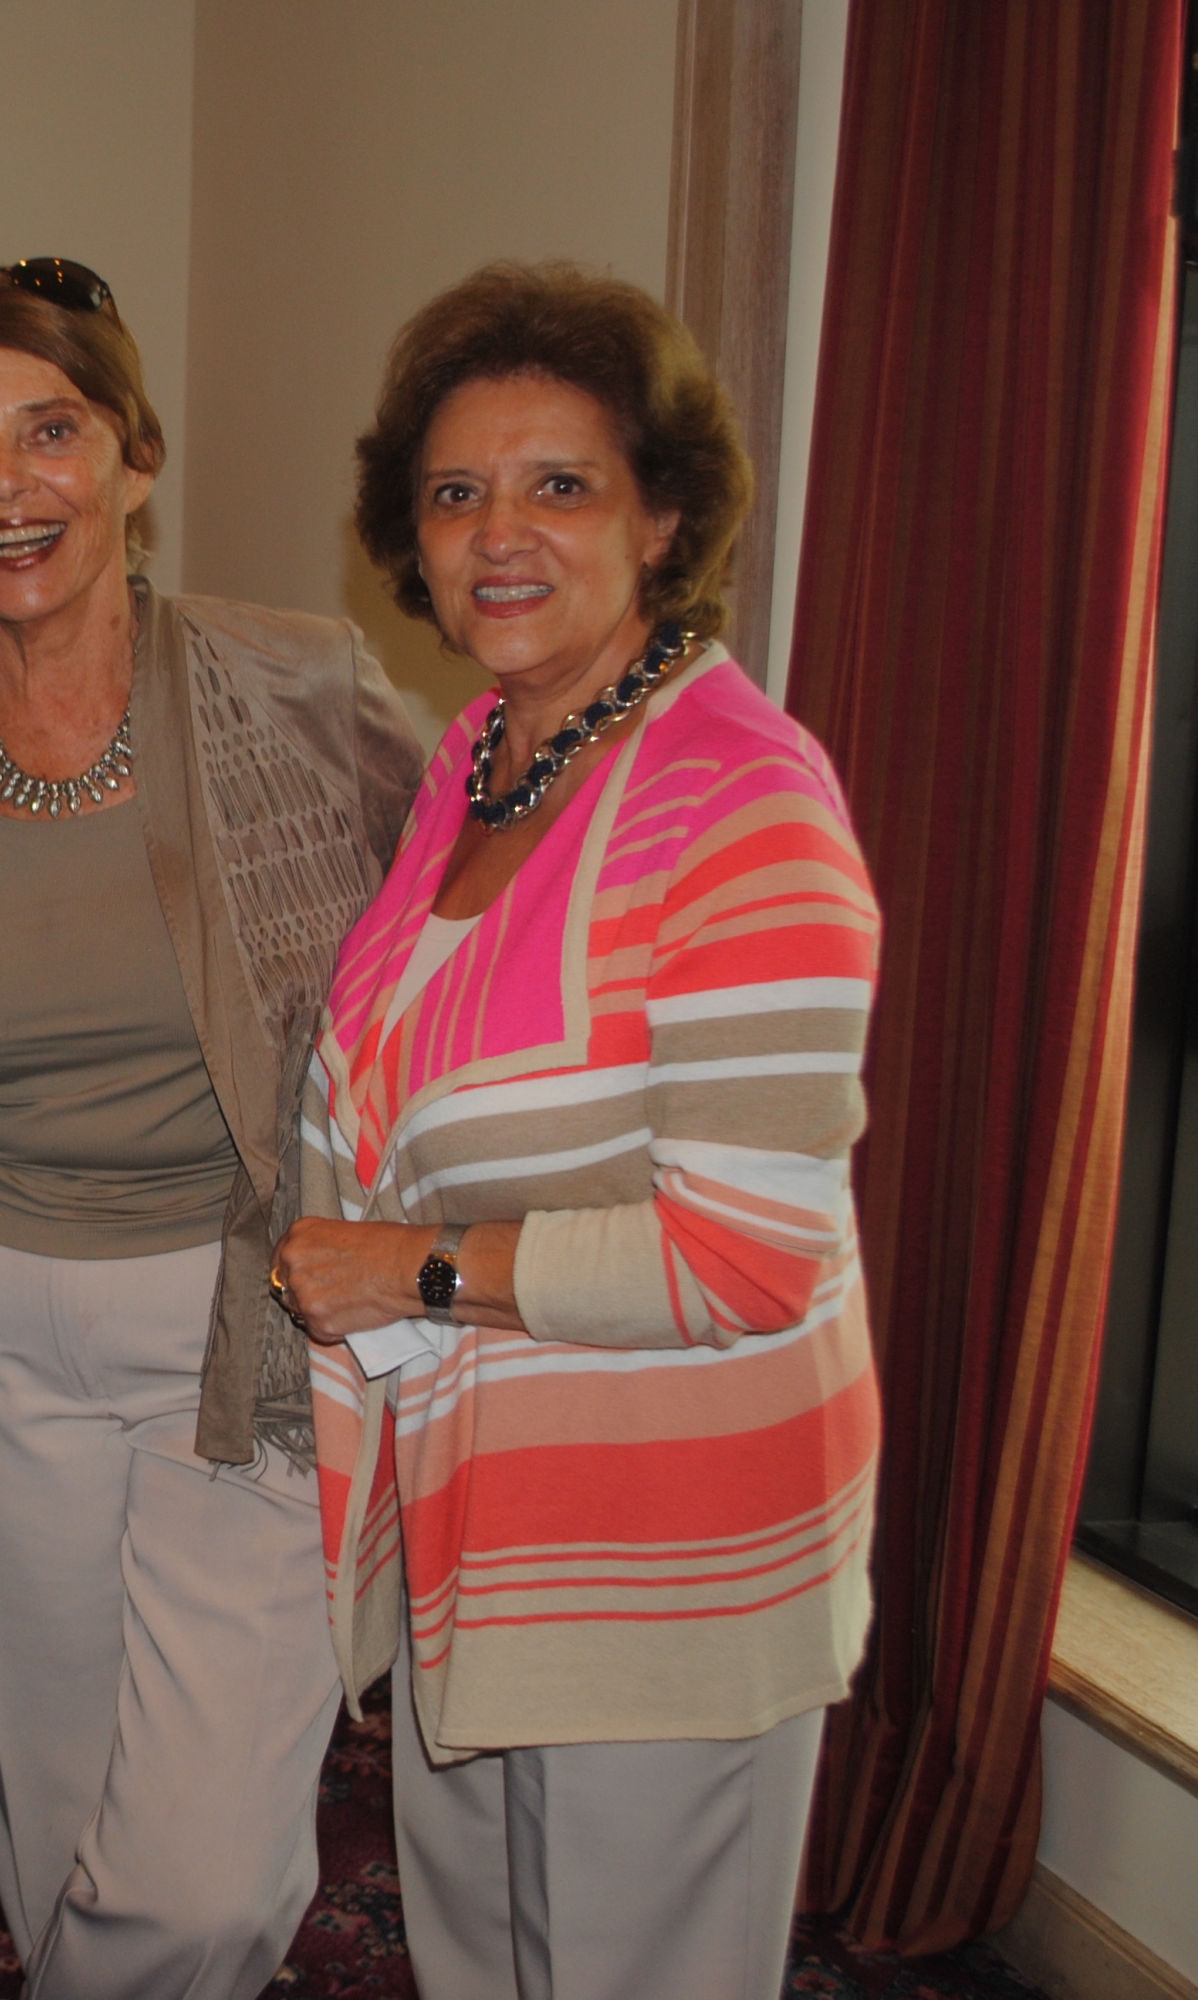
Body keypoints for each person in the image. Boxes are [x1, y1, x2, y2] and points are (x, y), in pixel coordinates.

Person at [0, 260, 423, 1994]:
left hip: (247, 1322)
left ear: (135, 458)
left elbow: (469, 908)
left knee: (205, 1877)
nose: (6, 489)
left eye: (50, 433)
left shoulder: (298, 685)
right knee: (54, 1817)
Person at [274, 262, 881, 2000]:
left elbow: (752, 1259)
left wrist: (408, 1267)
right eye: (457, 493)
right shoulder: (484, 756)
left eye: (562, 485)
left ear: (662, 517)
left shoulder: (742, 804)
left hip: (665, 1563)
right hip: (493, 1533)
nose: (499, 535)